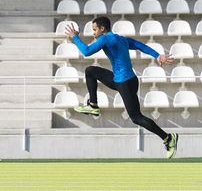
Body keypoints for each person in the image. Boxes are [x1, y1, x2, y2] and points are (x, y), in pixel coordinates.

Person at [65, 16, 178, 159]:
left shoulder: (105, 39)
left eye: (94, 30)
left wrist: (75, 37)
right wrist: (157, 55)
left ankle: (168, 138)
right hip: (122, 80)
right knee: (90, 71)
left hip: (125, 83)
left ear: (102, 28)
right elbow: (139, 45)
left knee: (136, 117)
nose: (93, 33)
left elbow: (86, 51)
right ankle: (93, 105)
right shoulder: (121, 39)